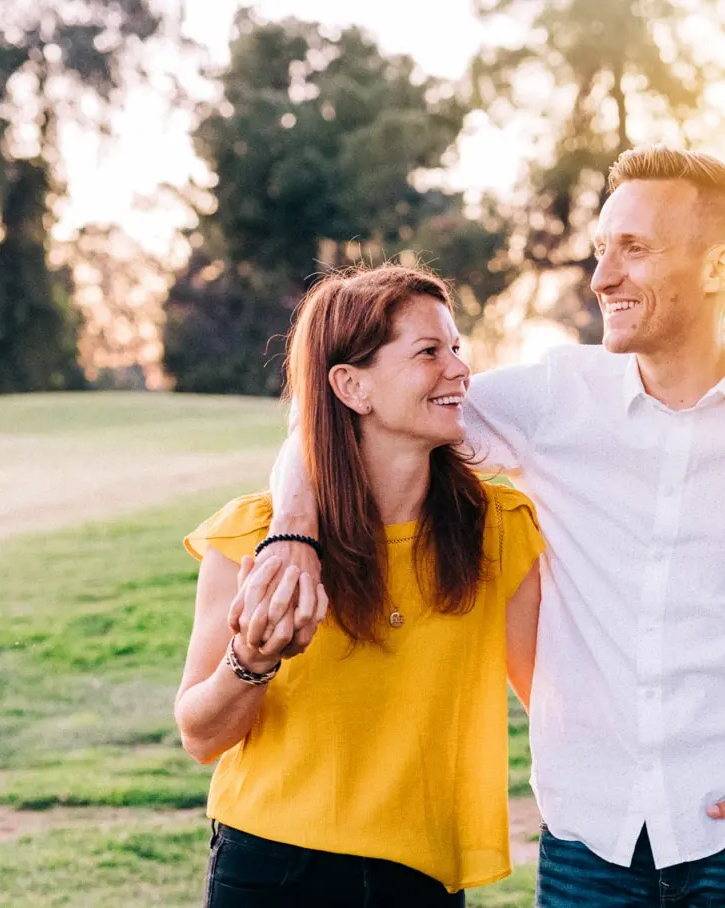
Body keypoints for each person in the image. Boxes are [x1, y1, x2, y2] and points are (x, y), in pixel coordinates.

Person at [249, 147, 725, 907]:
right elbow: (341, 420)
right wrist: (292, 531)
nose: (603, 276)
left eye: (634, 250)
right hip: (589, 841)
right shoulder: (555, 399)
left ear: (718, 268)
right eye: (602, 249)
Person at [174, 264, 544, 907]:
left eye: (456, 347)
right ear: (351, 386)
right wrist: (252, 660)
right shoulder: (256, 536)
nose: (460, 369)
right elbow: (200, 735)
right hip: (272, 868)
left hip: (423, 878)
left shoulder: (499, 531)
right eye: (429, 351)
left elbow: (554, 698)